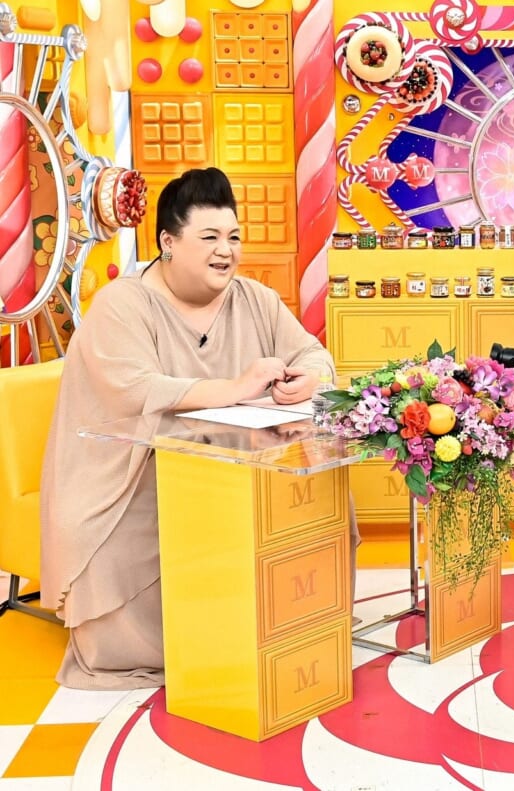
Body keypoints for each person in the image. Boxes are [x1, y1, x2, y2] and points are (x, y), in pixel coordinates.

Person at [40, 167, 352, 689]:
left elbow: (313, 353)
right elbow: (134, 389)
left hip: (236, 465)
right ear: (168, 242)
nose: (225, 251)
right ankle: (188, 643)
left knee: (318, 487)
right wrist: (236, 386)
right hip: (131, 469)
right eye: (209, 237)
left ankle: (291, 619)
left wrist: (311, 377)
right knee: (128, 534)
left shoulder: (254, 299)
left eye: (233, 237)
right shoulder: (121, 304)